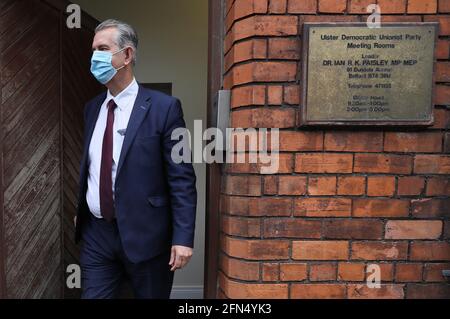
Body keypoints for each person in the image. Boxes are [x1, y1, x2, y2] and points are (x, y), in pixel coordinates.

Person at [74, 19, 197, 299]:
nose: (95, 57)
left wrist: (182, 238)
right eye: (93, 50)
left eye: (102, 49)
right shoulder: (92, 108)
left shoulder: (165, 108)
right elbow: (93, 165)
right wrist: (83, 206)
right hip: (97, 235)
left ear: (127, 55)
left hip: (148, 235)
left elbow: (182, 179)